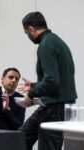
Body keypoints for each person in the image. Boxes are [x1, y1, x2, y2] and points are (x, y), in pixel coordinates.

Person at [18, 11, 77, 150]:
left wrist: (31, 93)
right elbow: (58, 79)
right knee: (20, 137)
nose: (28, 36)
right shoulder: (57, 42)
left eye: (26, 33)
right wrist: (33, 85)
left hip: (54, 107)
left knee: (48, 147)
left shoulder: (45, 45)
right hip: (55, 105)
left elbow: (51, 80)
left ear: (31, 29)